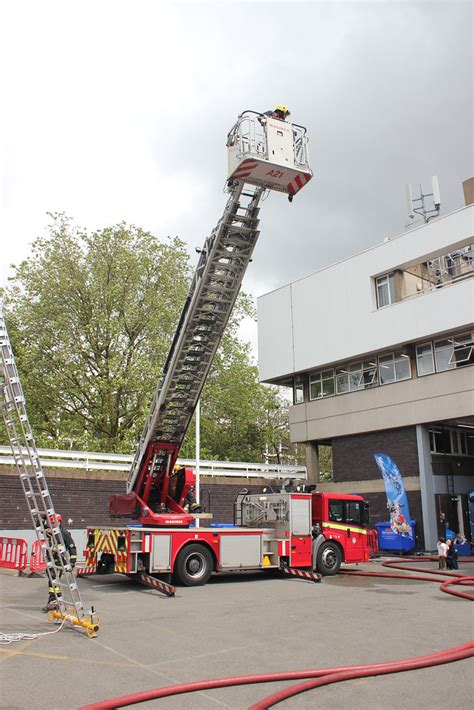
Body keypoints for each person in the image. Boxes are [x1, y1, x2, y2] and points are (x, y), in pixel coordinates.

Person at [42, 514, 77, 612]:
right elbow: (39, 527)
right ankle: (54, 601)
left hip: (59, 561)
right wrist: (42, 519)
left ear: (59, 522)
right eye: (50, 523)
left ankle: (54, 601)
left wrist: (72, 562)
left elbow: (72, 547)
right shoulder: (50, 531)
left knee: (53, 580)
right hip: (51, 560)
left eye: (53, 522)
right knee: (51, 580)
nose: (51, 524)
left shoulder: (63, 533)